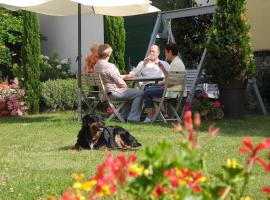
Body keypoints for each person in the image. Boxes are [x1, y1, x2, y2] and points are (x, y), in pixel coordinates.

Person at [94, 44, 143, 122]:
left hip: (104, 94)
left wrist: (125, 76)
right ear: (109, 54)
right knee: (139, 93)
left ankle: (124, 115)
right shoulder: (110, 66)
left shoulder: (96, 66)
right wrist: (125, 87)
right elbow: (120, 83)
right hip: (113, 92)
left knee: (131, 93)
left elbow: (108, 76)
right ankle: (133, 118)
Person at [143, 43, 187, 123]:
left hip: (171, 91)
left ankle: (150, 117)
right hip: (173, 89)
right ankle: (160, 113)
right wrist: (163, 69)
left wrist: (163, 86)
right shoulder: (176, 62)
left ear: (170, 52)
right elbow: (170, 79)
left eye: (166, 52)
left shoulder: (176, 64)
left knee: (148, 92)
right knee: (149, 88)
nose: (165, 54)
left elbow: (171, 83)